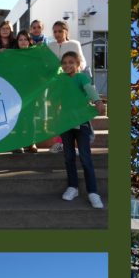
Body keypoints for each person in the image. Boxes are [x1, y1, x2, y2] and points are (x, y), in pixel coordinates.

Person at [58, 51, 106, 208]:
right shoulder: (60, 79)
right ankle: (73, 187)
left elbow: (90, 89)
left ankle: (93, 192)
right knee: (69, 156)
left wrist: (98, 101)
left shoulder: (81, 77)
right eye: (64, 63)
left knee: (85, 157)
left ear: (78, 65)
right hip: (65, 123)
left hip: (81, 123)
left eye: (71, 62)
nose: (67, 65)